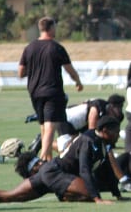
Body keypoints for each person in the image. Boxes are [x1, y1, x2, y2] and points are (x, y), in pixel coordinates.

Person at [0, 116, 131, 204]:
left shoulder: (101, 143)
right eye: (116, 131)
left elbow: (107, 169)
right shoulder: (88, 141)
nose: (117, 135)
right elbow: (84, 170)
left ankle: (65, 194)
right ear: (105, 130)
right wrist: (97, 199)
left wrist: (117, 194)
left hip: (53, 172)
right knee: (88, 193)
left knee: (8, 197)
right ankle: (65, 195)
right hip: (55, 172)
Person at [18, 16, 84, 161]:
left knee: (43, 126)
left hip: (34, 92)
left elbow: (21, 72)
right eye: (55, 26)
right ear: (51, 28)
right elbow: (69, 70)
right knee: (50, 126)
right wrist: (78, 82)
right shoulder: (56, 47)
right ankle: (42, 161)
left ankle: (47, 158)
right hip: (52, 91)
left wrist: (35, 70)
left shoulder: (29, 48)